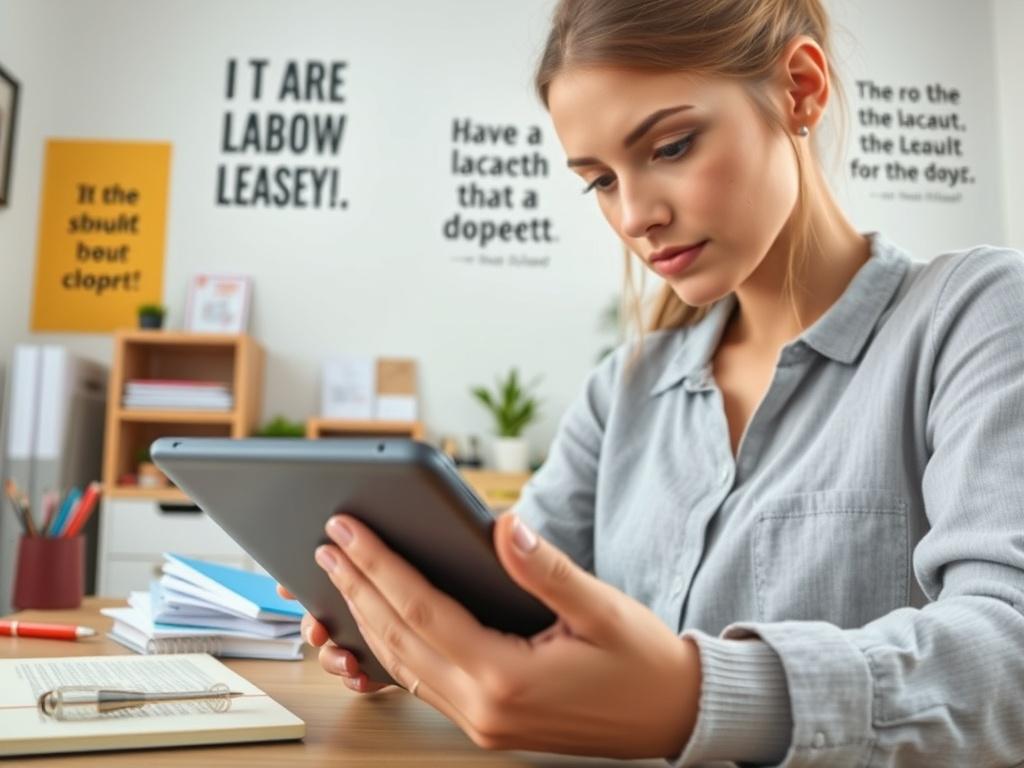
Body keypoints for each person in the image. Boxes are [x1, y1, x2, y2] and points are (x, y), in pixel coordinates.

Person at [280, 0, 1024, 764]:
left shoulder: (975, 315)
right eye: (599, 180)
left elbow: (1010, 655)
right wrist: (411, 629)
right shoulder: (625, 389)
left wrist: (699, 697)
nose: (634, 215)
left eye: (671, 146)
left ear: (799, 89)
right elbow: (516, 603)